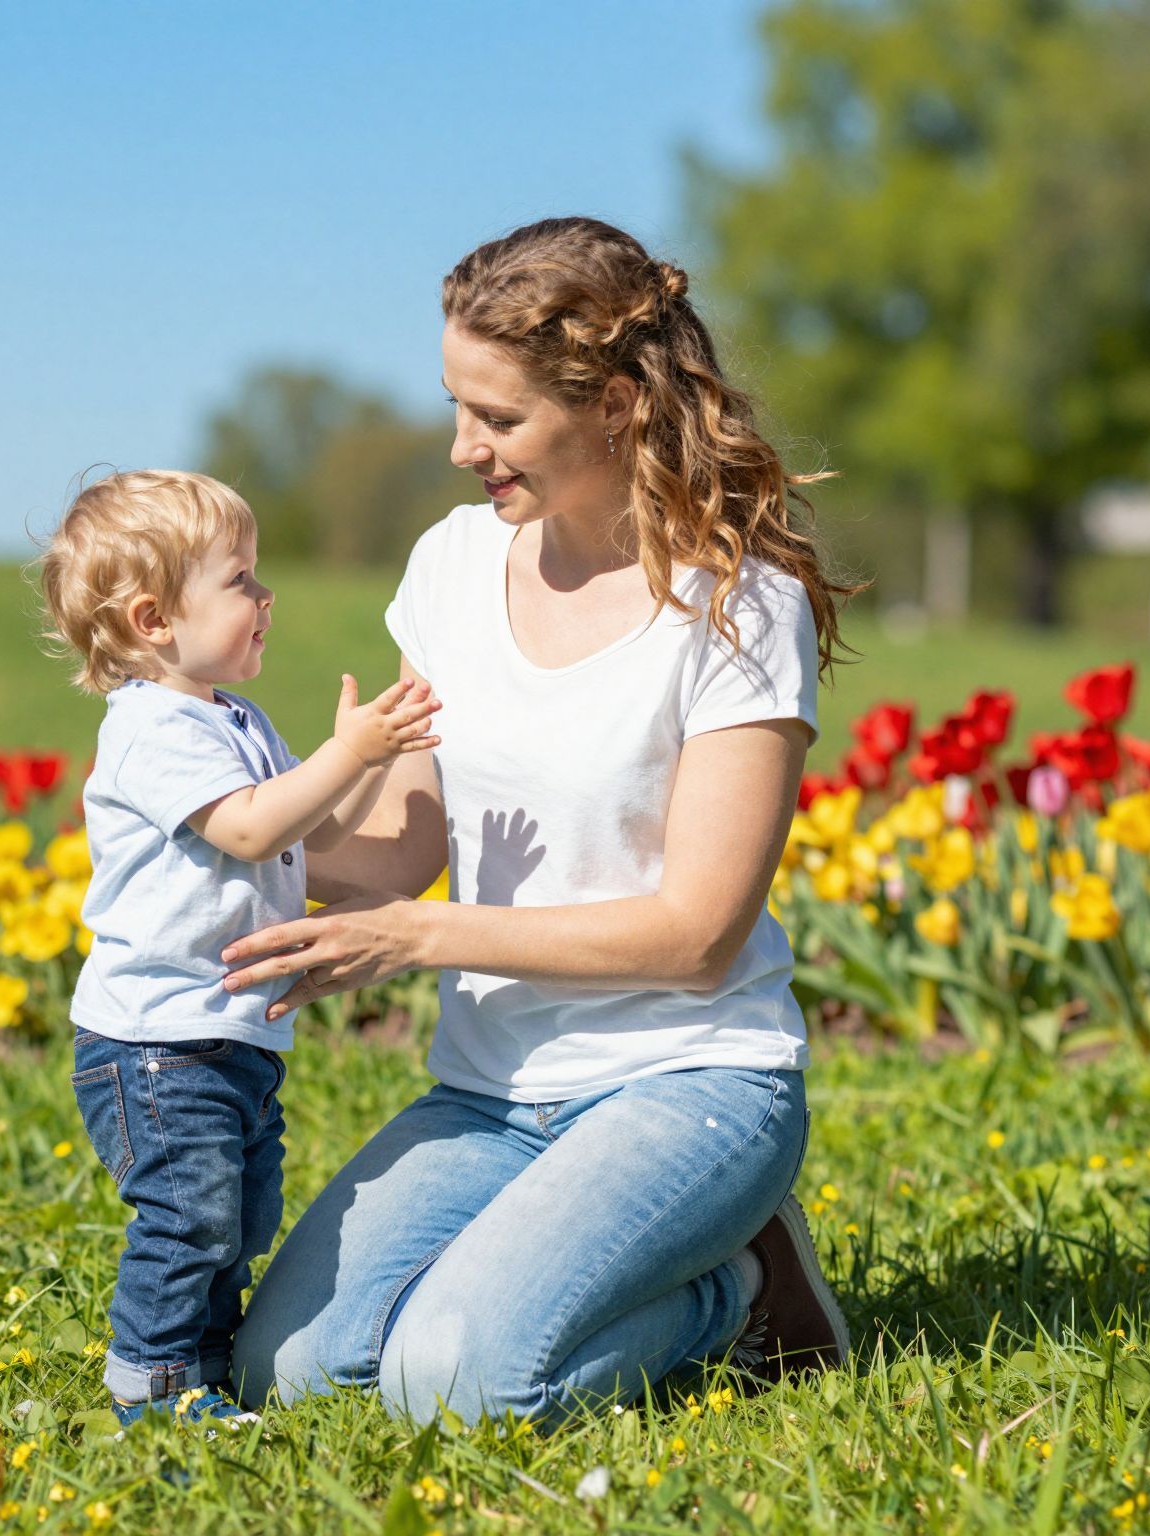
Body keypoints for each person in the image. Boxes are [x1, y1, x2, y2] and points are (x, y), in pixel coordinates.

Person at [223, 218, 867, 1425]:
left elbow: (695, 938)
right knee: (288, 1378)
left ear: (617, 403)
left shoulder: (736, 605)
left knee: (456, 1386)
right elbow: (404, 843)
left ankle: (740, 1286)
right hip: (488, 1091)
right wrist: (244, 831)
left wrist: (419, 940)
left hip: (688, 1085)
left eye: (499, 418)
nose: (464, 446)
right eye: (458, 407)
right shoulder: (455, 564)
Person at [36, 469, 440, 1426]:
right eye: (241, 579)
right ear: (153, 619)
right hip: (154, 1042)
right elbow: (255, 831)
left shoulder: (233, 718)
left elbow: (310, 828)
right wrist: (349, 755)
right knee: (191, 1215)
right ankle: (152, 1381)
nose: (266, 598)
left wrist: (372, 762)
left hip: (225, 1033)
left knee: (242, 1214)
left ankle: (204, 1366)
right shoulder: (147, 729)